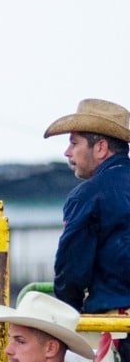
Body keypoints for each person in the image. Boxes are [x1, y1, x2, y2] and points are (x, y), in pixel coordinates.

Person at [44, 98, 130, 317]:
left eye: (74, 143)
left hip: (119, 323)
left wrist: (70, 309)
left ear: (100, 147)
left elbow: (71, 271)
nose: (67, 152)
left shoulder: (89, 195)